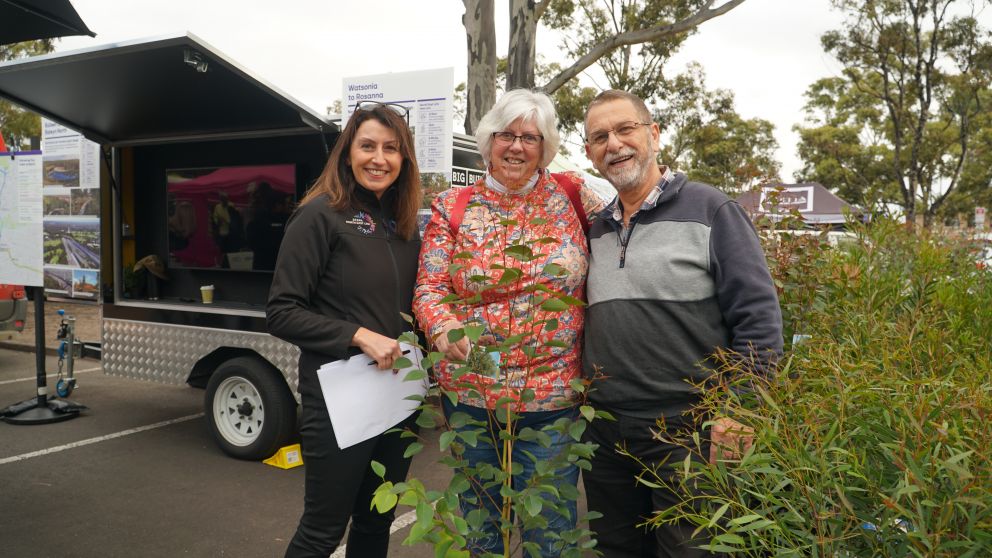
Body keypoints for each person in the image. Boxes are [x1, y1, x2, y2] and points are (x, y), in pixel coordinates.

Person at [580, 89, 784, 557]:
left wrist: (741, 407)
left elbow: (759, 319)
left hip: (690, 429)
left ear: (653, 134)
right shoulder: (597, 228)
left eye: (625, 129)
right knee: (617, 549)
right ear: (590, 153)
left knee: (692, 551)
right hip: (607, 433)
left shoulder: (712, 211)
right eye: (599, 136)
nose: (614, 143)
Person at [414, 89, 605, 556]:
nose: (516, 147)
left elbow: (630, 234)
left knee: (550, 532)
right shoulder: (453, 205)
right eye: (506, 135)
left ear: (546, 147)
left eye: (530, 137)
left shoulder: (574, 194)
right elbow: (430, 287)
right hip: (473, 393)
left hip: (552, 396)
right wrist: (442, 328)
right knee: (482, 528)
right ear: (488, 141)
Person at [267, 102, 422, 558]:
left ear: (404, 159)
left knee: (376, 521)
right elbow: (281, 310)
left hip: (398, 395)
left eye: (391, 149)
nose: (379, 158)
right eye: (367, 146)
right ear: (347, 152)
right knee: (322, 530)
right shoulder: (320, 215)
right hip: (339, 399)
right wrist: (358, 335)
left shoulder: (405, 226)